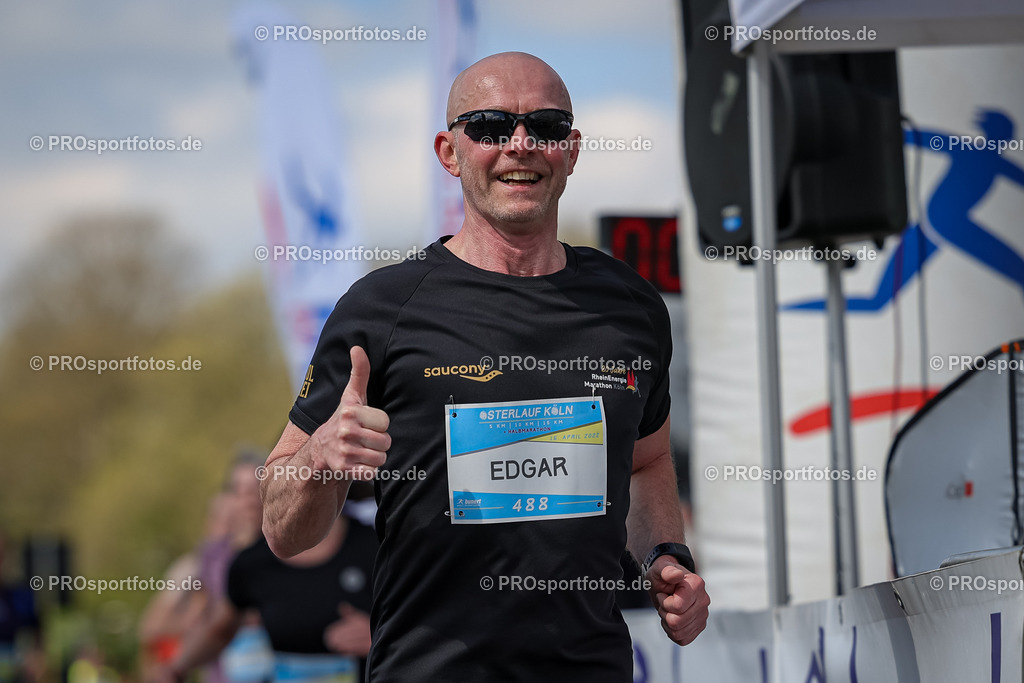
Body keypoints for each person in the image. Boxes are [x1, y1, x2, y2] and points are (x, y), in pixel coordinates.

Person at [260, 51, 710, 681]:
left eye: (546, 127)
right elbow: (282, 531)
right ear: (450, 152)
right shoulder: (382, 309)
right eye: (491, 127)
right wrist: (318, 461)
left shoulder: (630, 307)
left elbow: (648, 460)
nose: (519, 145)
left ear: (572, 149)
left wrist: (667, 555)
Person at [153, 513, 376, 683]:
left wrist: (378, 639)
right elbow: (219, 630)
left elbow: (411, 623)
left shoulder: (375, 545)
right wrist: (175, 669)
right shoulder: (253, 563)